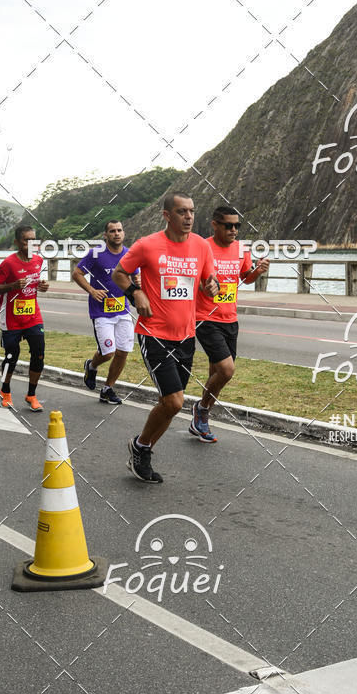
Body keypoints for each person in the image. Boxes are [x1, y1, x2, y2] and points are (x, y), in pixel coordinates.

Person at [112, 192, 218, 483]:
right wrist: (135, 292)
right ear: (167, 215)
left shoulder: (200, 246)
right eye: (182, 211)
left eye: (192, 211)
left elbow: (210, 281)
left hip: (186, 335)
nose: (188, 217)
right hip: (154, 334)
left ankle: (141, 447)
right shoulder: (147, 245)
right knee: (173, 402)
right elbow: (119, 273)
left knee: (173, 402)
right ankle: (141, 447)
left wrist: (211, 287)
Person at [191, 206, 270, 443]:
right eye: (228, 225)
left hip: (230, 318)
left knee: (216, 372)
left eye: (237, 226)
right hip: (205, 318)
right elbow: (191, 279)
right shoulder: (202, 248)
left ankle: (201, 421)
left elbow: (245, 278)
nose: (233, 230)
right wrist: (205, 287)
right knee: (227, 370)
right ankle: (202, 410)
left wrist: (258, 270)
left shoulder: (241, 249)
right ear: (215, 225)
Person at [73, 220, 138, 405]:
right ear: (105, 235)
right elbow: (77, 273)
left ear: (123, 233)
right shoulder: (96, 254)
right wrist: (91, 291)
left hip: (122, 309)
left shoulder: (129, 254)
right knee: (108, 352)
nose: (116, 233)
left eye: (119, 230)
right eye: (112, 231)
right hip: (101, 312)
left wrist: (137, 283)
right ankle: (91, 366)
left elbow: (135, 276)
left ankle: (108, 388)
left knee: (124, 350)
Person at [0, 224, 49, 412]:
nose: (31, 244)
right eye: (26, 240)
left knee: (39, 355)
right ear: (17, 242)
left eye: (34, 240)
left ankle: (31, 394)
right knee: (11, 357)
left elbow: (40, 282)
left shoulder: (39, 260)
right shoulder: (8, 263)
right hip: (11, 318)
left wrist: (44, 286)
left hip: (33, 316)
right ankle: (5, 391)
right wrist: (13, 285)